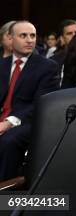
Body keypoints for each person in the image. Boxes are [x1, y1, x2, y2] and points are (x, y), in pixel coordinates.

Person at [0, 21, 58, 180]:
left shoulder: (48, 67)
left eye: (32, 35)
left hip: (28, 121)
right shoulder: (2, 65)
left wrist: (8, 122)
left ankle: (4, 195)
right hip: (3, 119)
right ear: (11, 39)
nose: (30, 40)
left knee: (8, 141)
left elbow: (41, 103)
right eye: (23, 35)